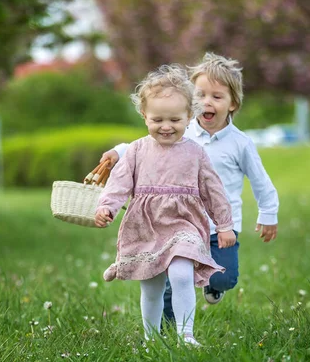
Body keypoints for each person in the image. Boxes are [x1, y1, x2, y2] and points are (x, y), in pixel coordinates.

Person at [101, 52, 279, 321]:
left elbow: (260, 181)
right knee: (174, 277)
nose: (207, 102)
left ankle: (211, 285)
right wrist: (118, 152)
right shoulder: (180, 129)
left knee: (224, 278)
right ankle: (172, 329)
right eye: (200, 95)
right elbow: (143, 148)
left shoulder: (240, 144)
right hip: (178, 224)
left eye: (217, 97)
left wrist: (268, 214)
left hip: (221, 227)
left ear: (233, 104)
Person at [95, 64, 236, 346]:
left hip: (184, 224)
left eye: (175, 119)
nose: (166, 126)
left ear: (189, 117)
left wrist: (224, 225)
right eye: (157, 119)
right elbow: (119, 182)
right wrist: (107, 207)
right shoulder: (136, 150)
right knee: (152, 287)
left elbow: (213, 191)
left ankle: (186, 334)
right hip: (146, 227)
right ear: (144, 116)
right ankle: (151, 337)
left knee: (182, 274)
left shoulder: (195, 153)